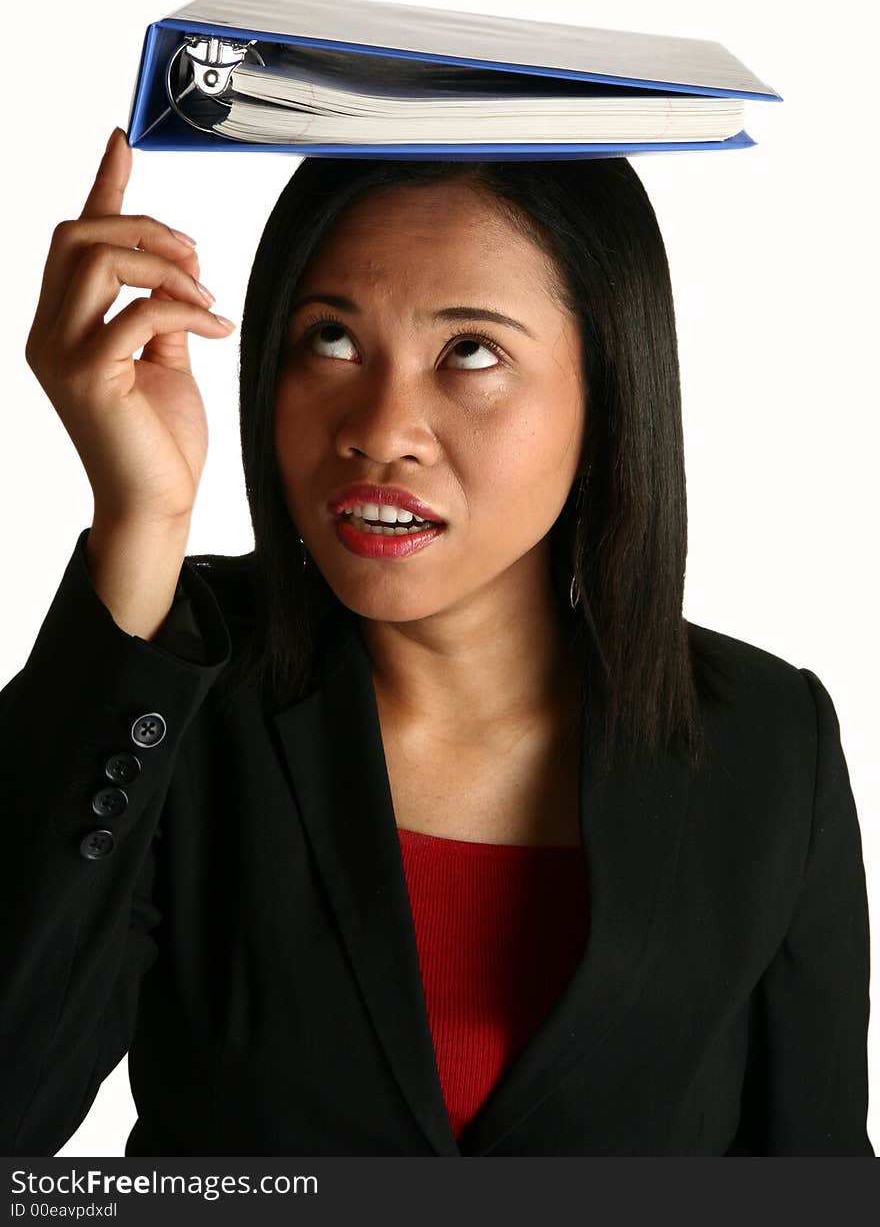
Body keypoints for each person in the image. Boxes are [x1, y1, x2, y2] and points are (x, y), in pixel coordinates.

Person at [0, 126, 872, 1156]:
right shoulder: (167, 691)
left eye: (470, 351)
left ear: (609, 389)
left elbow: (812, 1181)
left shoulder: (772, 742)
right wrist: (137, 523)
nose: (379, 426)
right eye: (328, 338)